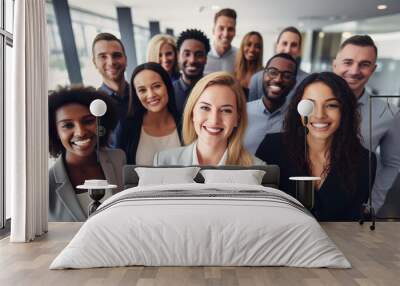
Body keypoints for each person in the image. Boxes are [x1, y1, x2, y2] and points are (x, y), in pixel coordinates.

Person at [256, 72, 377, 221]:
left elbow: (353, 220)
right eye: (309, 105)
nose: (320, 115)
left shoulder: (364, 161)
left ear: (345, 110)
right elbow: (258, 210)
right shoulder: (272, 147)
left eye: (331, 105)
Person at [332, 35, 400, 212]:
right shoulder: (309, 103)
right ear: (335, 65)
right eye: (348, 62)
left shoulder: (389, 113)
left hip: (352, 205)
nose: (354, 71)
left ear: (373, 69)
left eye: (364, 64)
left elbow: (392, 164)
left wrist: (373, 204)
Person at [48, 86, 126, 222]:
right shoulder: (46, 184)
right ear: (55, 133)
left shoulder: (118, 159)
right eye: (67, 125)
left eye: (88, 121)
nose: (80, 132)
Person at [154, 72, 265, 166]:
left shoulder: (257, 168)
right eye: (205, 108)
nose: (214, 120)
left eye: (226, 110)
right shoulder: (164, 162)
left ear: (237, 118)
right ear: (192, 113)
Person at [113, 62, 182, 165]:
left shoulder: (185, 121)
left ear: (167, 86)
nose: (151, 95)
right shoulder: (126, 127)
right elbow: (118, 170)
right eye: (142, 90)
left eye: (156, 86)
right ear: (136, 94)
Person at [244, 53, 298, 154]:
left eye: (286, 76)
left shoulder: (296, 118)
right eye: (273, 72)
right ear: (263, 75)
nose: (278, 79)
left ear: (293, 82)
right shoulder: (242, 112)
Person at [248, 26, 308, 101]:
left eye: (294, 45)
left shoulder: (307, 81)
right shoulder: (257, 79)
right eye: (284, 43)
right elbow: (251, 109)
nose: (288, 50)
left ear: (299, 50)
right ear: (277, 46)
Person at [92, 33, 130, 122]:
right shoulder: (92, 104)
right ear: (95, 63)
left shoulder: (141, 95)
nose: (111, 62)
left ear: (126, 59)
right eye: (103, 57)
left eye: (116, 55)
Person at [173, 29, 210, 116]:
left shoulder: (214, 89)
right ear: (178, 56)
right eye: (187, 54)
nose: (192, 60)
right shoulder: (169, 93)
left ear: (206, 58)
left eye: (199, 55)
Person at [204, 8, 237, 74]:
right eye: (221, 28)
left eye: (230, 29)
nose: (225, 34)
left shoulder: (240, 56)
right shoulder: (202, 55)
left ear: (235, 32)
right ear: (213, 30)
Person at [234, 31, 263, 100]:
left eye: (257, 46)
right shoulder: (234, 72)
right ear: (242, 46)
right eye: (249, 44)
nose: (252, 49)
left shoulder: (263, 75)